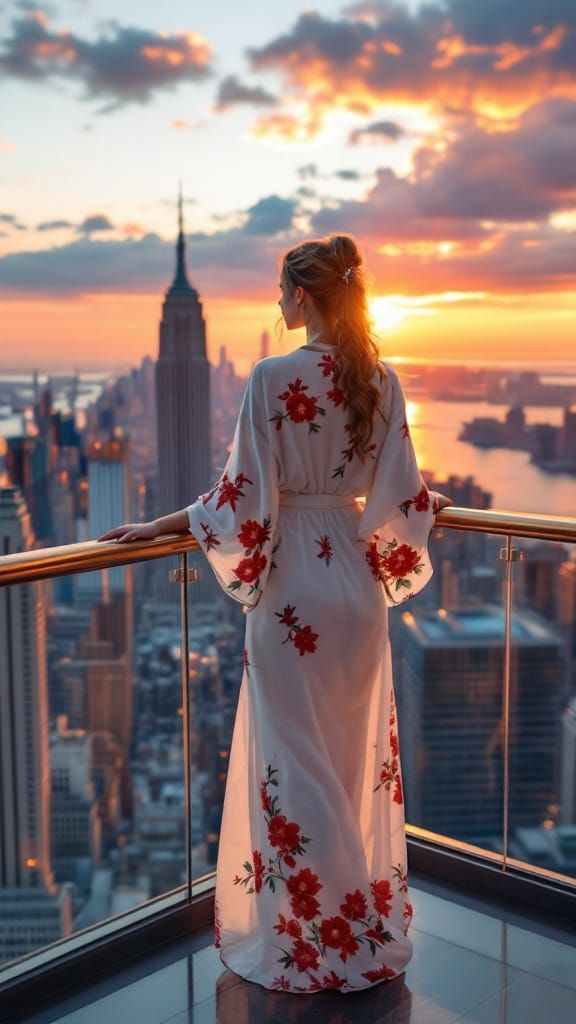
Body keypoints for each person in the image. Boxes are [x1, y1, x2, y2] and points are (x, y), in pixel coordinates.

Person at [98, 233, 451, 994]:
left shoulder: (269, 378)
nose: (275, 301)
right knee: (351, 766)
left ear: (302, 296)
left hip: (293, 590)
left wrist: (158, 527)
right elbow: (403, 497)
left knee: (294, 774)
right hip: (354, 591)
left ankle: (307, 945)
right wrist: (435, 508)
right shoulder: (379, 379)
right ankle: (356, 931)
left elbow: (239, 502)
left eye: (279, 290)